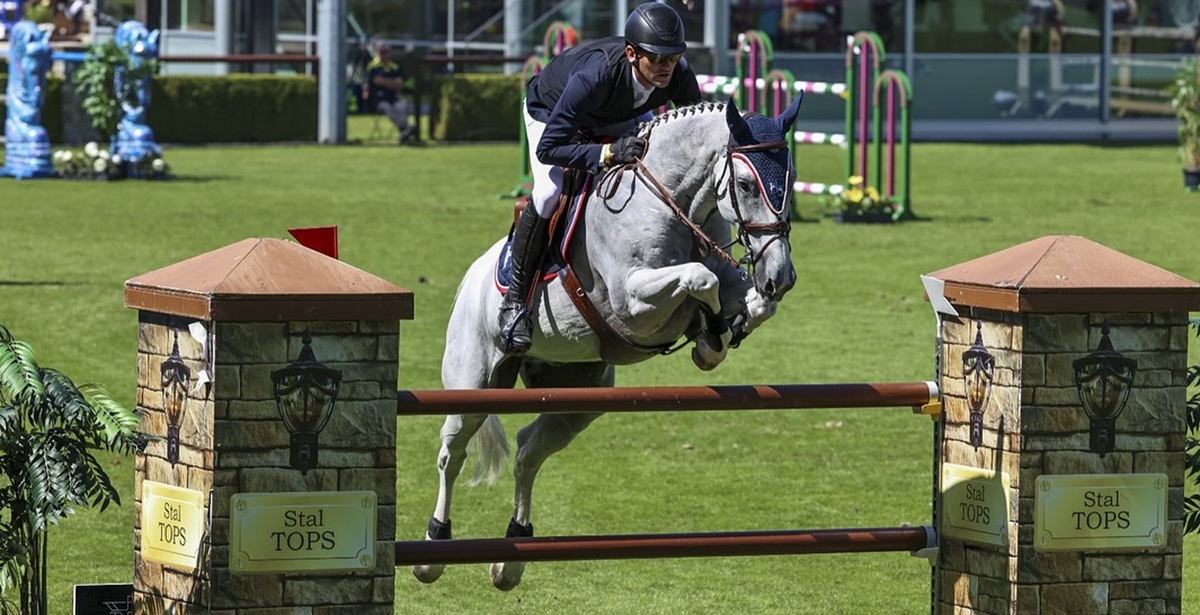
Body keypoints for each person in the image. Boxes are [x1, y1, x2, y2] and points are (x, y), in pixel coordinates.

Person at [499, 2, 703, 355]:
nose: (666, 67)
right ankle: (516, 303)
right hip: (551, 115)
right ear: (631, 53)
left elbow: (692, 134)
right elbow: (550, 149)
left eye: (673, 57)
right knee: (550, 192)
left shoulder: (677, 75)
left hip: (612, 115)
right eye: (656, 58)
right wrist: (606, 154)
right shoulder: (595, 76)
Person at [366, 41, 415, 143]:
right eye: (382, 51)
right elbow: (376, 81)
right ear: (377, 52)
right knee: (387, 107)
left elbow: (400, 83)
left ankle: (404, 132)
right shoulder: (372, 67)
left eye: (386, 52)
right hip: (378, 100)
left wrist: (385, 82)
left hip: (393, 97)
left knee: (402, 107)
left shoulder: (395, 67)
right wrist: (391, 82)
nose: (384, 54)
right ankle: (406, 128)